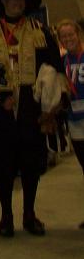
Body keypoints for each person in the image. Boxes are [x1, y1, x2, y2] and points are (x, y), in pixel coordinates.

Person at [0, 0, 64, 238]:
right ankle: (6, 216)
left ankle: (29, 213)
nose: (16, 2)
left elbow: (54, 68)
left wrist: (51, 106)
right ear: (3, 3)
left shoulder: (41, 32)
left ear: (25, 3)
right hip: (2, 110)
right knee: (3, 165)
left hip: (31, 107)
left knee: (31, 164)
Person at [56, 20, 84, 173]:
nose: (68, 39)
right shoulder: (62, 62)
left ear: (78, 34)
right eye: (63, 37)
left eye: (71, 35)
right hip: (74, 121)